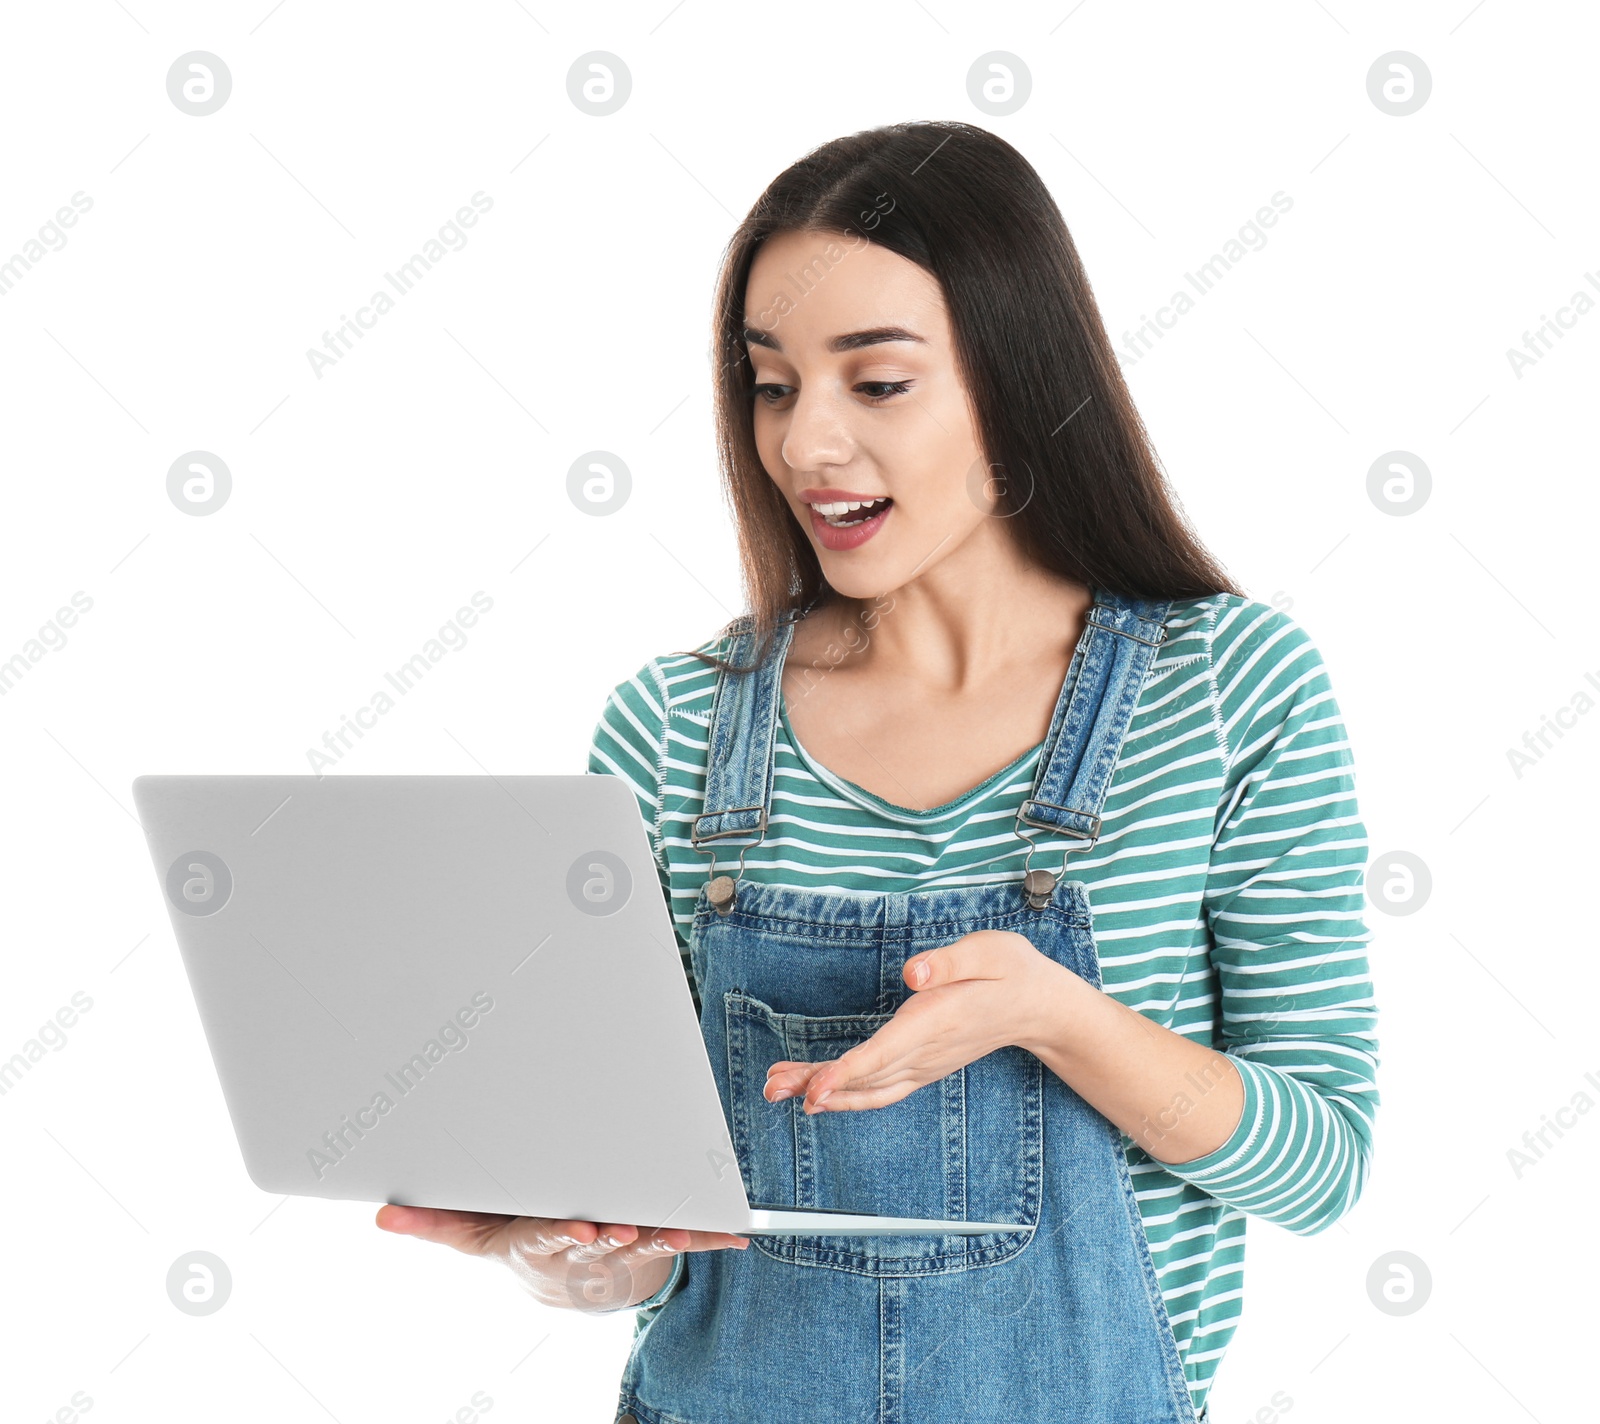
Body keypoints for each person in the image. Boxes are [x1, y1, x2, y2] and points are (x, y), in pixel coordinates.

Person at [377, 120, 1380, 1424]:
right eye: (773, 384)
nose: (805, 446)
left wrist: (1052, 1015)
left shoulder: (1231, 691)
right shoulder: (670, 727)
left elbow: (1323, 1166)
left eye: (879, 383)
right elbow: (643, 1236)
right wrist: (562, 1252)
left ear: (1017, 383)